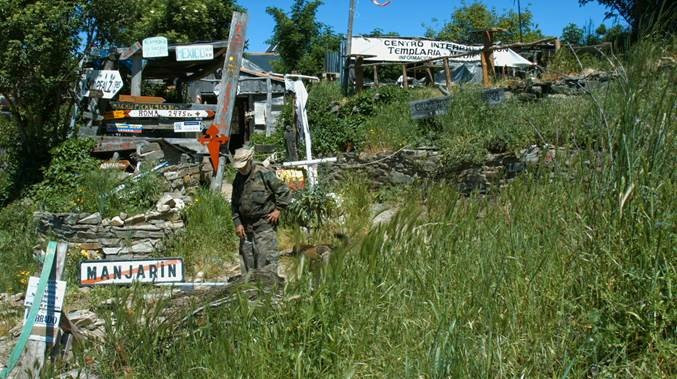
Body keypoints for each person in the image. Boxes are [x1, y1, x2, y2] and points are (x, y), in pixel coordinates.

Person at [231, 147, 292, 272]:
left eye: (243, 166)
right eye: (239, 167)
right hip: (246, 228)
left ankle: (267, 289)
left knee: (266, 261)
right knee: (247, 264)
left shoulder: (263, 173)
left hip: (264, 225)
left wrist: (278, 210)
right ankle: (250, 289)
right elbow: (234, 203)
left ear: (249, 160)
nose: (241, 169)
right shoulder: (238, 178)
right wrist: (237, 223)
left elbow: (284, 191)